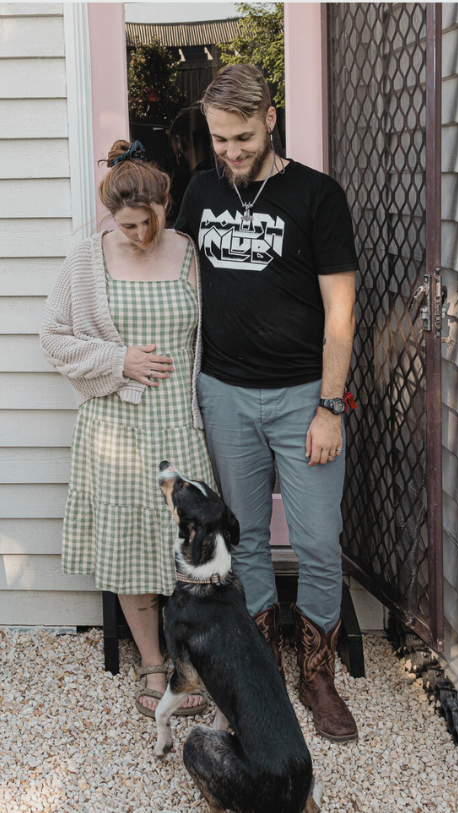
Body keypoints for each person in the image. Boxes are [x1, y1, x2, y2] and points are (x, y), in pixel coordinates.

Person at [174, 65, 359, 742]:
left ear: (270, 118)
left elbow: (340, 312)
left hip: (300, 399)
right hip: (222, 394)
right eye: (219, 138)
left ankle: (316, 674)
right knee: (244, 538)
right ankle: (258, 671)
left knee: (315, 538)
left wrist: (329, 406)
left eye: (242, 136)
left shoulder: (316, 194)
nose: (230, 150)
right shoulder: (199, 190)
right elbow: (169, 276)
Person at [40, 140, 216, 719]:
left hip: (179, 422)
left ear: (165, 206)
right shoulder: (87, 259)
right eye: (125, 225)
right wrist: (119, 362)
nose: (137, 234)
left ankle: (191, 659)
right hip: (115, 424)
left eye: (145, 223)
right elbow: (55, 337)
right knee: (127, 542)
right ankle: (153, 665)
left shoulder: (190, 253)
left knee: (187, 542)